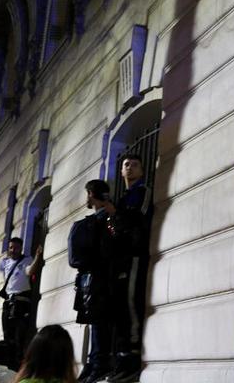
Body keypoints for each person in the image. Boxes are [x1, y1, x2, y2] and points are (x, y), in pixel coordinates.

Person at [103, 154, 153, 383]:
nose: (130, 168)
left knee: (132, 305)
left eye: (135, 165)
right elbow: (114, 229)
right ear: (121, 171)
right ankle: (121, 359)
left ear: (141, 171)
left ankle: (132, 358)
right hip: (119, 259)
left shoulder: (143, 192)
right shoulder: (121, 199)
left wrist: (116, 215)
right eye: (126, 165)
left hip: (135, 255)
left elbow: (139, 218)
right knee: (119, 308)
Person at [0, 237, 43, 366]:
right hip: (8, 304)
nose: (13, 250)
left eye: (15, 247)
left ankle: (17, 364)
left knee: (19, 337)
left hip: (22, 303)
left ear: (21, 248)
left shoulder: (27, 260)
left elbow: (30, 271)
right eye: (10, 247)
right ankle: (7, 364)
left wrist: (37, 257)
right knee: (7, 336)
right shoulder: (5, 262)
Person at [72, 180, 114, 383]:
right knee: (94, 319)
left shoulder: (108, 215)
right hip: (91, 274)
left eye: (88, 193)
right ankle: (93, 360)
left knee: (99, 319)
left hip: (102, 274)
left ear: (90, 193)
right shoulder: (92, 219)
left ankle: (99, 362)